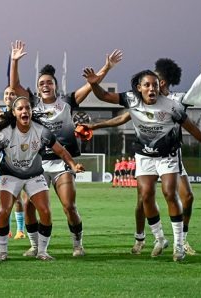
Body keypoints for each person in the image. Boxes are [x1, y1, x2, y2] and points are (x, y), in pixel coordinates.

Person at [82, 67, 201, 262]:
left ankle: (179, 245)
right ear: (139, 88)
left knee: (170, 193)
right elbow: (103, 96)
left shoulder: (171, 106)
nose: (151, 88)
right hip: (144, 156)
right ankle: (160, 238)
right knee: (145, 196)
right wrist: (94, 83)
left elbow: (193, 128)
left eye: (155, 84)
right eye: (147, 85)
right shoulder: (131, 100)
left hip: (167, 155)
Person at [9, 40, 122, 257]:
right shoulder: (32, 103)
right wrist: (14, 61)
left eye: (49, 82)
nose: (45, 85)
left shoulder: (68, 101)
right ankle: (34, 246)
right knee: (29, 205)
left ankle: (77, 244)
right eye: (41, 82)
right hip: (37, 164)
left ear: (55, 86)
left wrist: (106, 67)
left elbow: (92, 83)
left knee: (69, 206)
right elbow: (14, 86)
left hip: (62, 162)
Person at [0, 96, 85, 261]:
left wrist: (73, 165)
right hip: (10, 175)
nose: (24, 111)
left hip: (34, 175)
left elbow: (61, 151)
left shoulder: (41, 131)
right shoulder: (6, 134)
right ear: (15, 113)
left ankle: (42, 251)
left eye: (27, 108)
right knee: (3, 211)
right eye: (20, 109)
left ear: (31, 111)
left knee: (45, 211)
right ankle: (2, 252)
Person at [0, 86, 27, 240]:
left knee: (16, 197)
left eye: (12, 93)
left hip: (18, 159)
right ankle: (6, 229)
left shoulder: (21, 112)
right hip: (3, 158)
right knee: (2, 196)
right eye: (6, 93)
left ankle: (20, 230)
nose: (9, 95)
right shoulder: (0, 112)